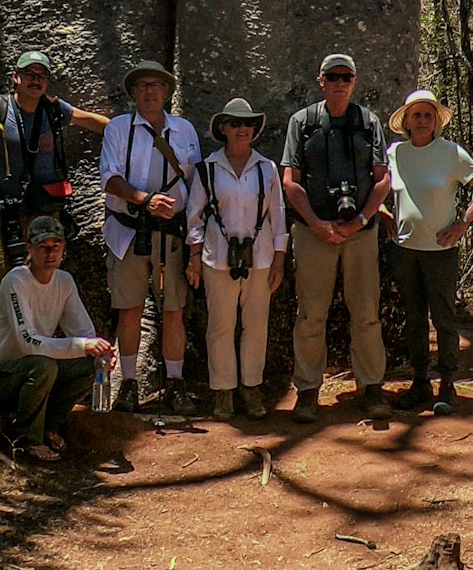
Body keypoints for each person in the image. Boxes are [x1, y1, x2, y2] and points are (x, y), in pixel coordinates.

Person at [280, 51, 394, 422]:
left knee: (366, 312)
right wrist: (315, 223)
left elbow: (382, 179)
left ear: (354, 82)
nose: (340, 84)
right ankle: (309, 390)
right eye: (333, 77)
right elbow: (290, 182)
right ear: (321, 81)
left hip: (361, 232)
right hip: (313, 231)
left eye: (347, 78)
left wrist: (360, 219)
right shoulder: (303, 123)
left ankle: (372, 386)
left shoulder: (368, 122)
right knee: (311, 313)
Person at [100, 58, 202, 417]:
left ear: (167, 92)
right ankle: (128, 385)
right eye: (142, 86)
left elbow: (197, 187)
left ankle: (174, 384)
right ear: (132, 93)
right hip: (127, 233)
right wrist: (144, 200)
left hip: (171, 236)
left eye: (156, 85)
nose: (149, 92)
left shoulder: (185, 130)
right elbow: (109, 178)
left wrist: (194, 241)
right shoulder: (118, 128)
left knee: (173, 312)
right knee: (129, 310)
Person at [384, 89, 473, 415]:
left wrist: (462, 222)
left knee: (444, 317)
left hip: (441, 251)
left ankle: (448, 383)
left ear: (435, 122)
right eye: (416, 115)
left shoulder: (450, 153)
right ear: (406, 121)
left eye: (427, 115)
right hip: (405, 250)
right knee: (414, 318)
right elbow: (373, 184)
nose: (421, 121)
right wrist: (381, 211)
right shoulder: (395, 153)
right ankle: (421, 382)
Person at [0, 214, 116, 462]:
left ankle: (49, 426)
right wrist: (82, 345)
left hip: (33, 372)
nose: (50, 253)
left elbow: (82, 332)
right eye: (43, 247)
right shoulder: (15, 281)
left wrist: (99, 352)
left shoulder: (64, 281)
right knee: (43, 365)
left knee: (87, 364)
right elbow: (27, 342)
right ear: (29, 248)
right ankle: (27, 439)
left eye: (55, 247)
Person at [0, 50, 108, 287]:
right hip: (4, 214)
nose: (36, 80)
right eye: (29, 74)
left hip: (46, 212)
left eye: (42, 76)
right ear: (15, 77)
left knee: (46, 286)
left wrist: (134, 132)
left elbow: (91, 121)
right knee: (7, 287)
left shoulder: (53, 109)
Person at [187, 96, 286, 420]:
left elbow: (279, 219)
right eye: (235, 123)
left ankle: (251, 387)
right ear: (224, 129)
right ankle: (223, 392)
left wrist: (280, 260)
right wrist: (194, 257)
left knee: (256, 327)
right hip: (218, 259)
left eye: (247, 124)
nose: (242, 129)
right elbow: (194, 217)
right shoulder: (208, 168)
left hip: (260, 259)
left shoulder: (267, 168)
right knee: (220, 326)